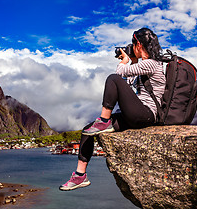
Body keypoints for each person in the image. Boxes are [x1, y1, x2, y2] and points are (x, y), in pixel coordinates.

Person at [59, 28, 166, 191]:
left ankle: (104, 120)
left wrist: (124, 61)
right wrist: (132, 61)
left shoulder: (152, 63)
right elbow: (129, 86)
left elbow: (120, 73)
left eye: (132, 44)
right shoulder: (144, 65)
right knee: (88, 129)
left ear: (138, 44)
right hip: (136, 113)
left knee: (113, 78)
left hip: (146, 114)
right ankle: (80, 176)